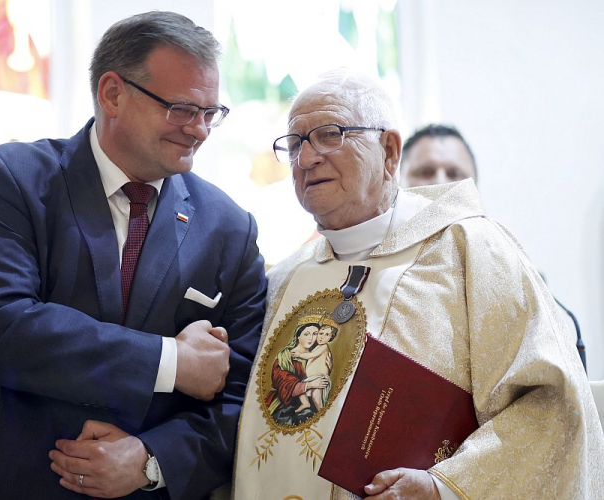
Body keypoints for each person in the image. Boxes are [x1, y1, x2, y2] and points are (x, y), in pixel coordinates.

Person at [0, 11, 266, 500]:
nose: (199, 130)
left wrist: (150, 460)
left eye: (211, 113)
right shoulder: (10, 177)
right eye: (182, 109)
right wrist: (171, 361)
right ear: (113, 93)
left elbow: (240, 401)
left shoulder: (229, 227)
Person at [233, 73, 604, 499]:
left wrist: (443, 488)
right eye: (295, 144)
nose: (307, 158)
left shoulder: (472, 250)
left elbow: (552, 404)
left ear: (389, 152)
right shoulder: (284, 278)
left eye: (329, 135)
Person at [401, 123, 587, 369]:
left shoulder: (511, 271)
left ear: (474, 187)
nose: (440, 182)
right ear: (399, 181)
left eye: (454, 173)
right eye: (425, 171)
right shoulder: (371, 267)